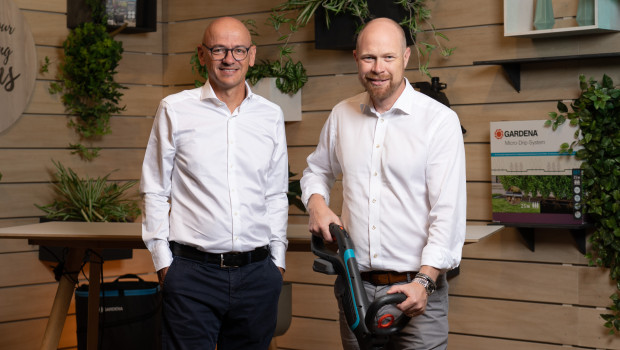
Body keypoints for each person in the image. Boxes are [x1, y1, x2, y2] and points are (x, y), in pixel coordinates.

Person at [300, 18, 466, 349]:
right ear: (355, 58)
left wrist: (425, 281)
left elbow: (447, 211)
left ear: (406, 56)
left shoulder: (438, 122)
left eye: (388, 57)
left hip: (417, 290)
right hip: (355, 289)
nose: (378, 68)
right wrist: (317, 204)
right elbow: (316, 170)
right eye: (369, 58)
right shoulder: (341, 115)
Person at [140, 17, 289, 350]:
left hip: (258, 275)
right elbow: (154, 189)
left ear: (251, 55)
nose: (229, 58)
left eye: (238, 50)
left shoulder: (270, 115)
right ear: (202, 54)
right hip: (192, 275)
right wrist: (164, 264)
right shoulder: (175, 110)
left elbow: (276, 193)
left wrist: (277, 261)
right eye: (219, 49)